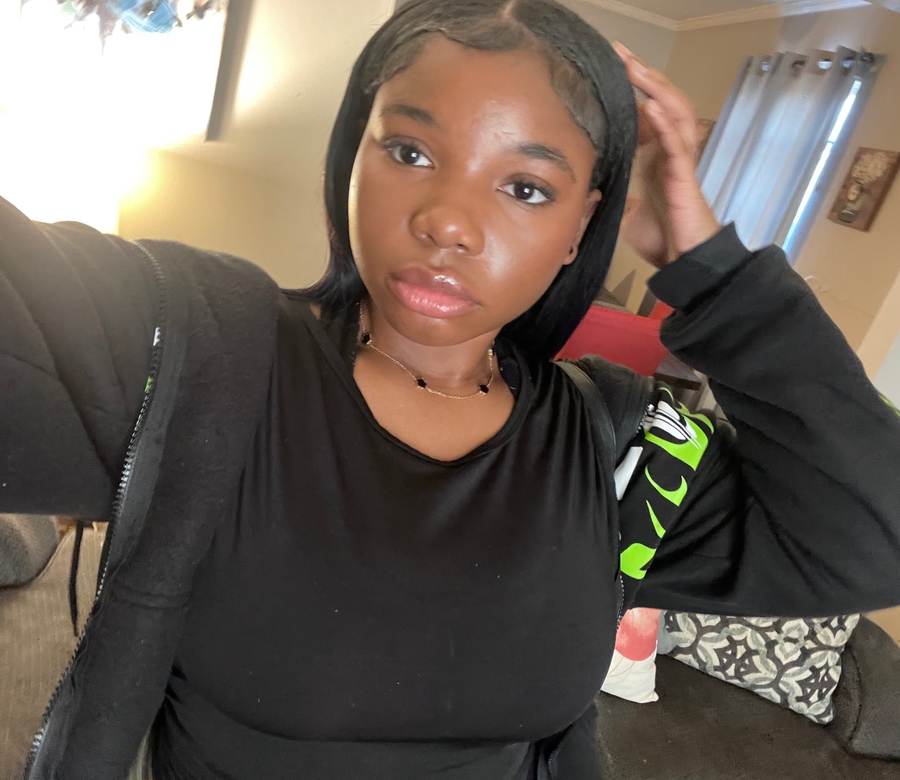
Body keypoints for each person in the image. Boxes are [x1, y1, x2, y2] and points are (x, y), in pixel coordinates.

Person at [3, 1, 900, 779]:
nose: (448, 223)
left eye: (526, 187)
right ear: (354, 155)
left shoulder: (619, 446)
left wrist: (716, 275)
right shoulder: (199, 353)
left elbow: (874, 536)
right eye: (409, 150)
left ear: (583, 223)